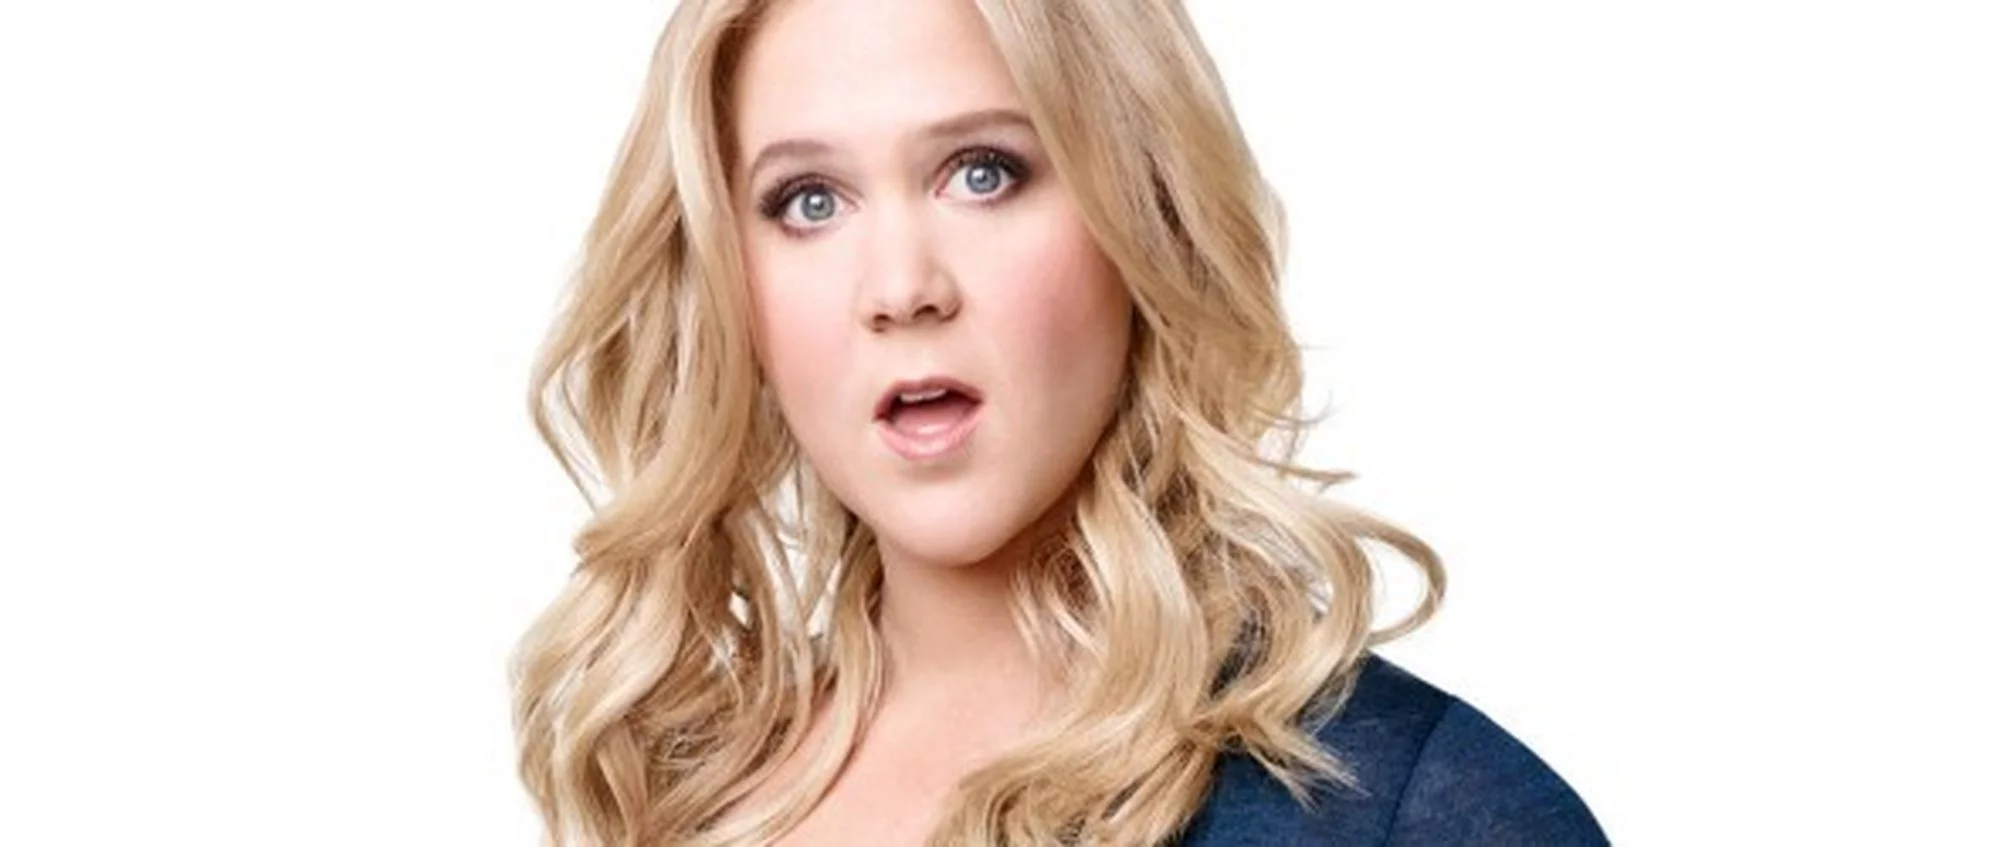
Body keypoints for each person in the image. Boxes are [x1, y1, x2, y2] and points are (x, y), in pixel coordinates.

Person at [510, 0, 1606, 844]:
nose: (900, 287)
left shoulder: (1425, 809)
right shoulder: (680, 788)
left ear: (1144, 215)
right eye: (809, 200)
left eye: (982, 173)